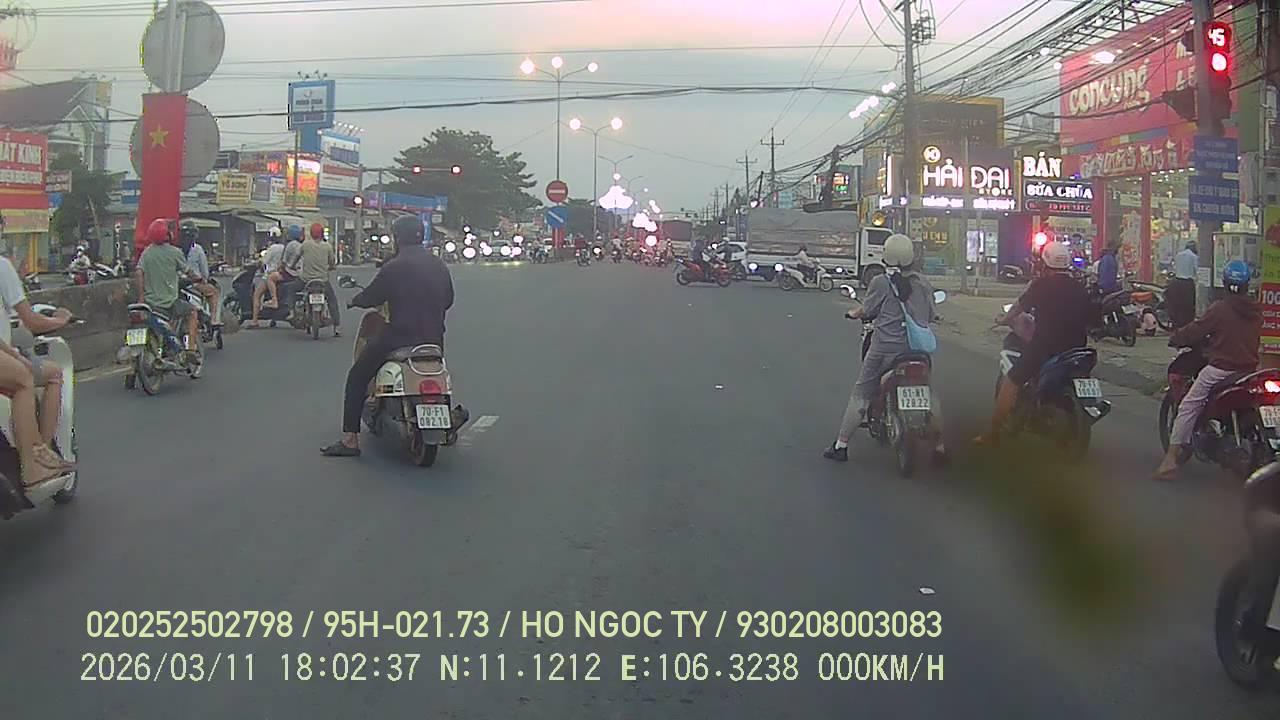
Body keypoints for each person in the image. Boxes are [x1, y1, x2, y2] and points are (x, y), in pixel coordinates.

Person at [322, 215, 454, 457]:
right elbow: (448, 300)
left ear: (397, 238)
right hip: (434, 339)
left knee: (357, 376)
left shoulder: (393, 267)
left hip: (399, 337)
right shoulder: (439, 265)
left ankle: (350, 440)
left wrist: (355, 300)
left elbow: (372, 296)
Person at [824, 234, 946, 463]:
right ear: (911, 257)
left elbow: (867, 310)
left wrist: (853, 313)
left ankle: (841, 445)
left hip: (885, 350)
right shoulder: (923, 283)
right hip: (917, 351)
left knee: (862, 392)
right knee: (929, 393)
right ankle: (940, 448)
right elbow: (931, 314)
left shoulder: (880, 282)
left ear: (886, 256)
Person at [1154, 260, 1262, 480]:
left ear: (1225, 283)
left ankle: (1170, 460)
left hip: (1220, 370)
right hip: (1249, 371)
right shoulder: (1256, 310)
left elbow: (1197, 329)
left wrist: (1177, 337)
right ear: (1246, 285)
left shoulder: (1220, 308)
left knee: (1189, 405)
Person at [979, 240, 1094, 444]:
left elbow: (1018, 307)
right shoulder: (1080, 287)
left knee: (1011, 380)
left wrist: (1004, 319)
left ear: (1044, 264)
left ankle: (992, 434)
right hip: (1077, 348)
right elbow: (1092, 317)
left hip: (1046, 347)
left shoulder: (1041, 286)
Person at [0, 252, 72, 448]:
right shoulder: (3, 266)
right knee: (50, 374)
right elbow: (32, 322)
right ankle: (41, 452)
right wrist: (61, 320)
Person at [135, 218, 200, 363]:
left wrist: (141, 296)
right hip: (169, 302)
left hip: (150, 303)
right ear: (167, 235)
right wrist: (198, 278)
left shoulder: (146, 253)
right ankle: (191, 349)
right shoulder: (174, 252)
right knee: (192, 311)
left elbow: (139, 273)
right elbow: (188, 271)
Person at [299, 222, 341, 337]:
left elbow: (297, 257)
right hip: (323, 281)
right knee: (332, 300)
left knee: (293, 290)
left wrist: (292, 266)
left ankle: (293, 312)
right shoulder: (327, 246)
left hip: (306, 280)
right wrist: (331, 267)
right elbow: (332, 263)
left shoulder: (305, 245)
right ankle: (336, 327)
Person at [178, 220, 222, 328]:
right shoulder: (197, 249)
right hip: (194, 284)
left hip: (176, 283)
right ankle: (214, 319)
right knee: (214, 292)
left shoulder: (175, 249)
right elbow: (204, 272)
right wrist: (203, 279)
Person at [249, 228, 286, 328]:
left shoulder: (272, 248)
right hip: (280, 274)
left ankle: (254, 321)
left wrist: (256, 262)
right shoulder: (283, 247)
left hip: (269, 274)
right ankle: (272, 317)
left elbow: (264, 262)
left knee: (256, 295)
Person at [1169, 240, 1198, 329]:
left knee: (1177, 305)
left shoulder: (1178, 255)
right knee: (1188, 306)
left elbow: (1174, 268)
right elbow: (1197, 270)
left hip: (1176, 282)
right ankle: (1187, 325)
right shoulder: (1194, 257)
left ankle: (1176, 324)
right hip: (1187, 284)